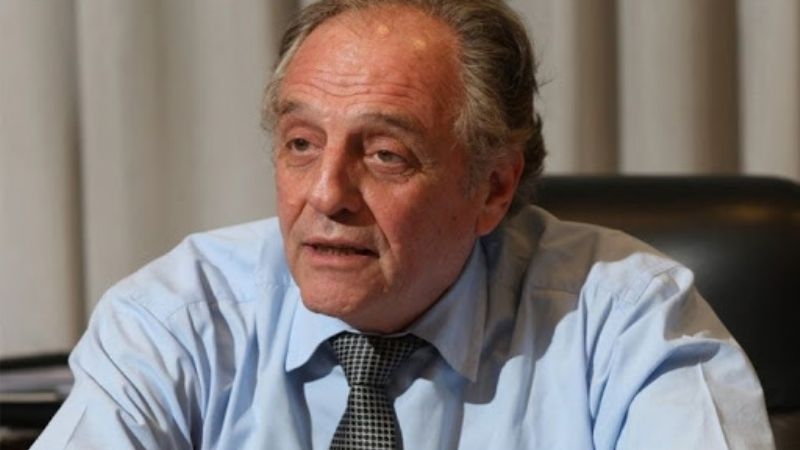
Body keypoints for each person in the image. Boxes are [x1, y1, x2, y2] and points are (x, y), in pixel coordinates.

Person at [33, 0, 774, 449]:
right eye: (301, 144)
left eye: (385, 155)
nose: (327, 194)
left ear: (493, 187)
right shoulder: (177, 322)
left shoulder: (627, 321)